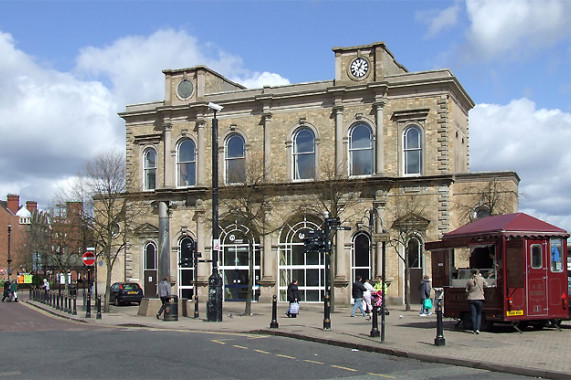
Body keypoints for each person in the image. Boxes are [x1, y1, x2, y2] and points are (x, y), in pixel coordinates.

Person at [466, 269, 488, 334]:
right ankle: (478, 329)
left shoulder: (469, 281)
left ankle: (474, 329)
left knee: (473, 314)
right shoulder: (481, 279)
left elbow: (466, 290)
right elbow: (486, 284)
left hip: (471, 299)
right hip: (480, 299)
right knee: (479, 314)